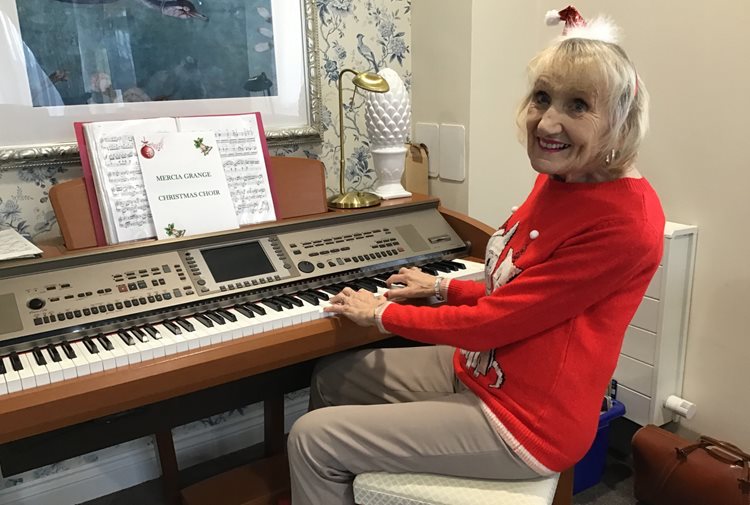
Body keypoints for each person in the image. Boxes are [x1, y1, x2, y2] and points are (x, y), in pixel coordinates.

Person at [286, 7, 665, 505]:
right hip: (486, 368)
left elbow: (497, 320)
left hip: (527, 422)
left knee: (313, 439)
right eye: (543, 97)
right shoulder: (562, 178)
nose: (547, 121)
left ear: (620, 119)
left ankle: (320, 477)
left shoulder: (626, 222)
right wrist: (441, 286)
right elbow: (522, 285)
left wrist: (383, 314)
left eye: (577, 106)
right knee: (334, 378)